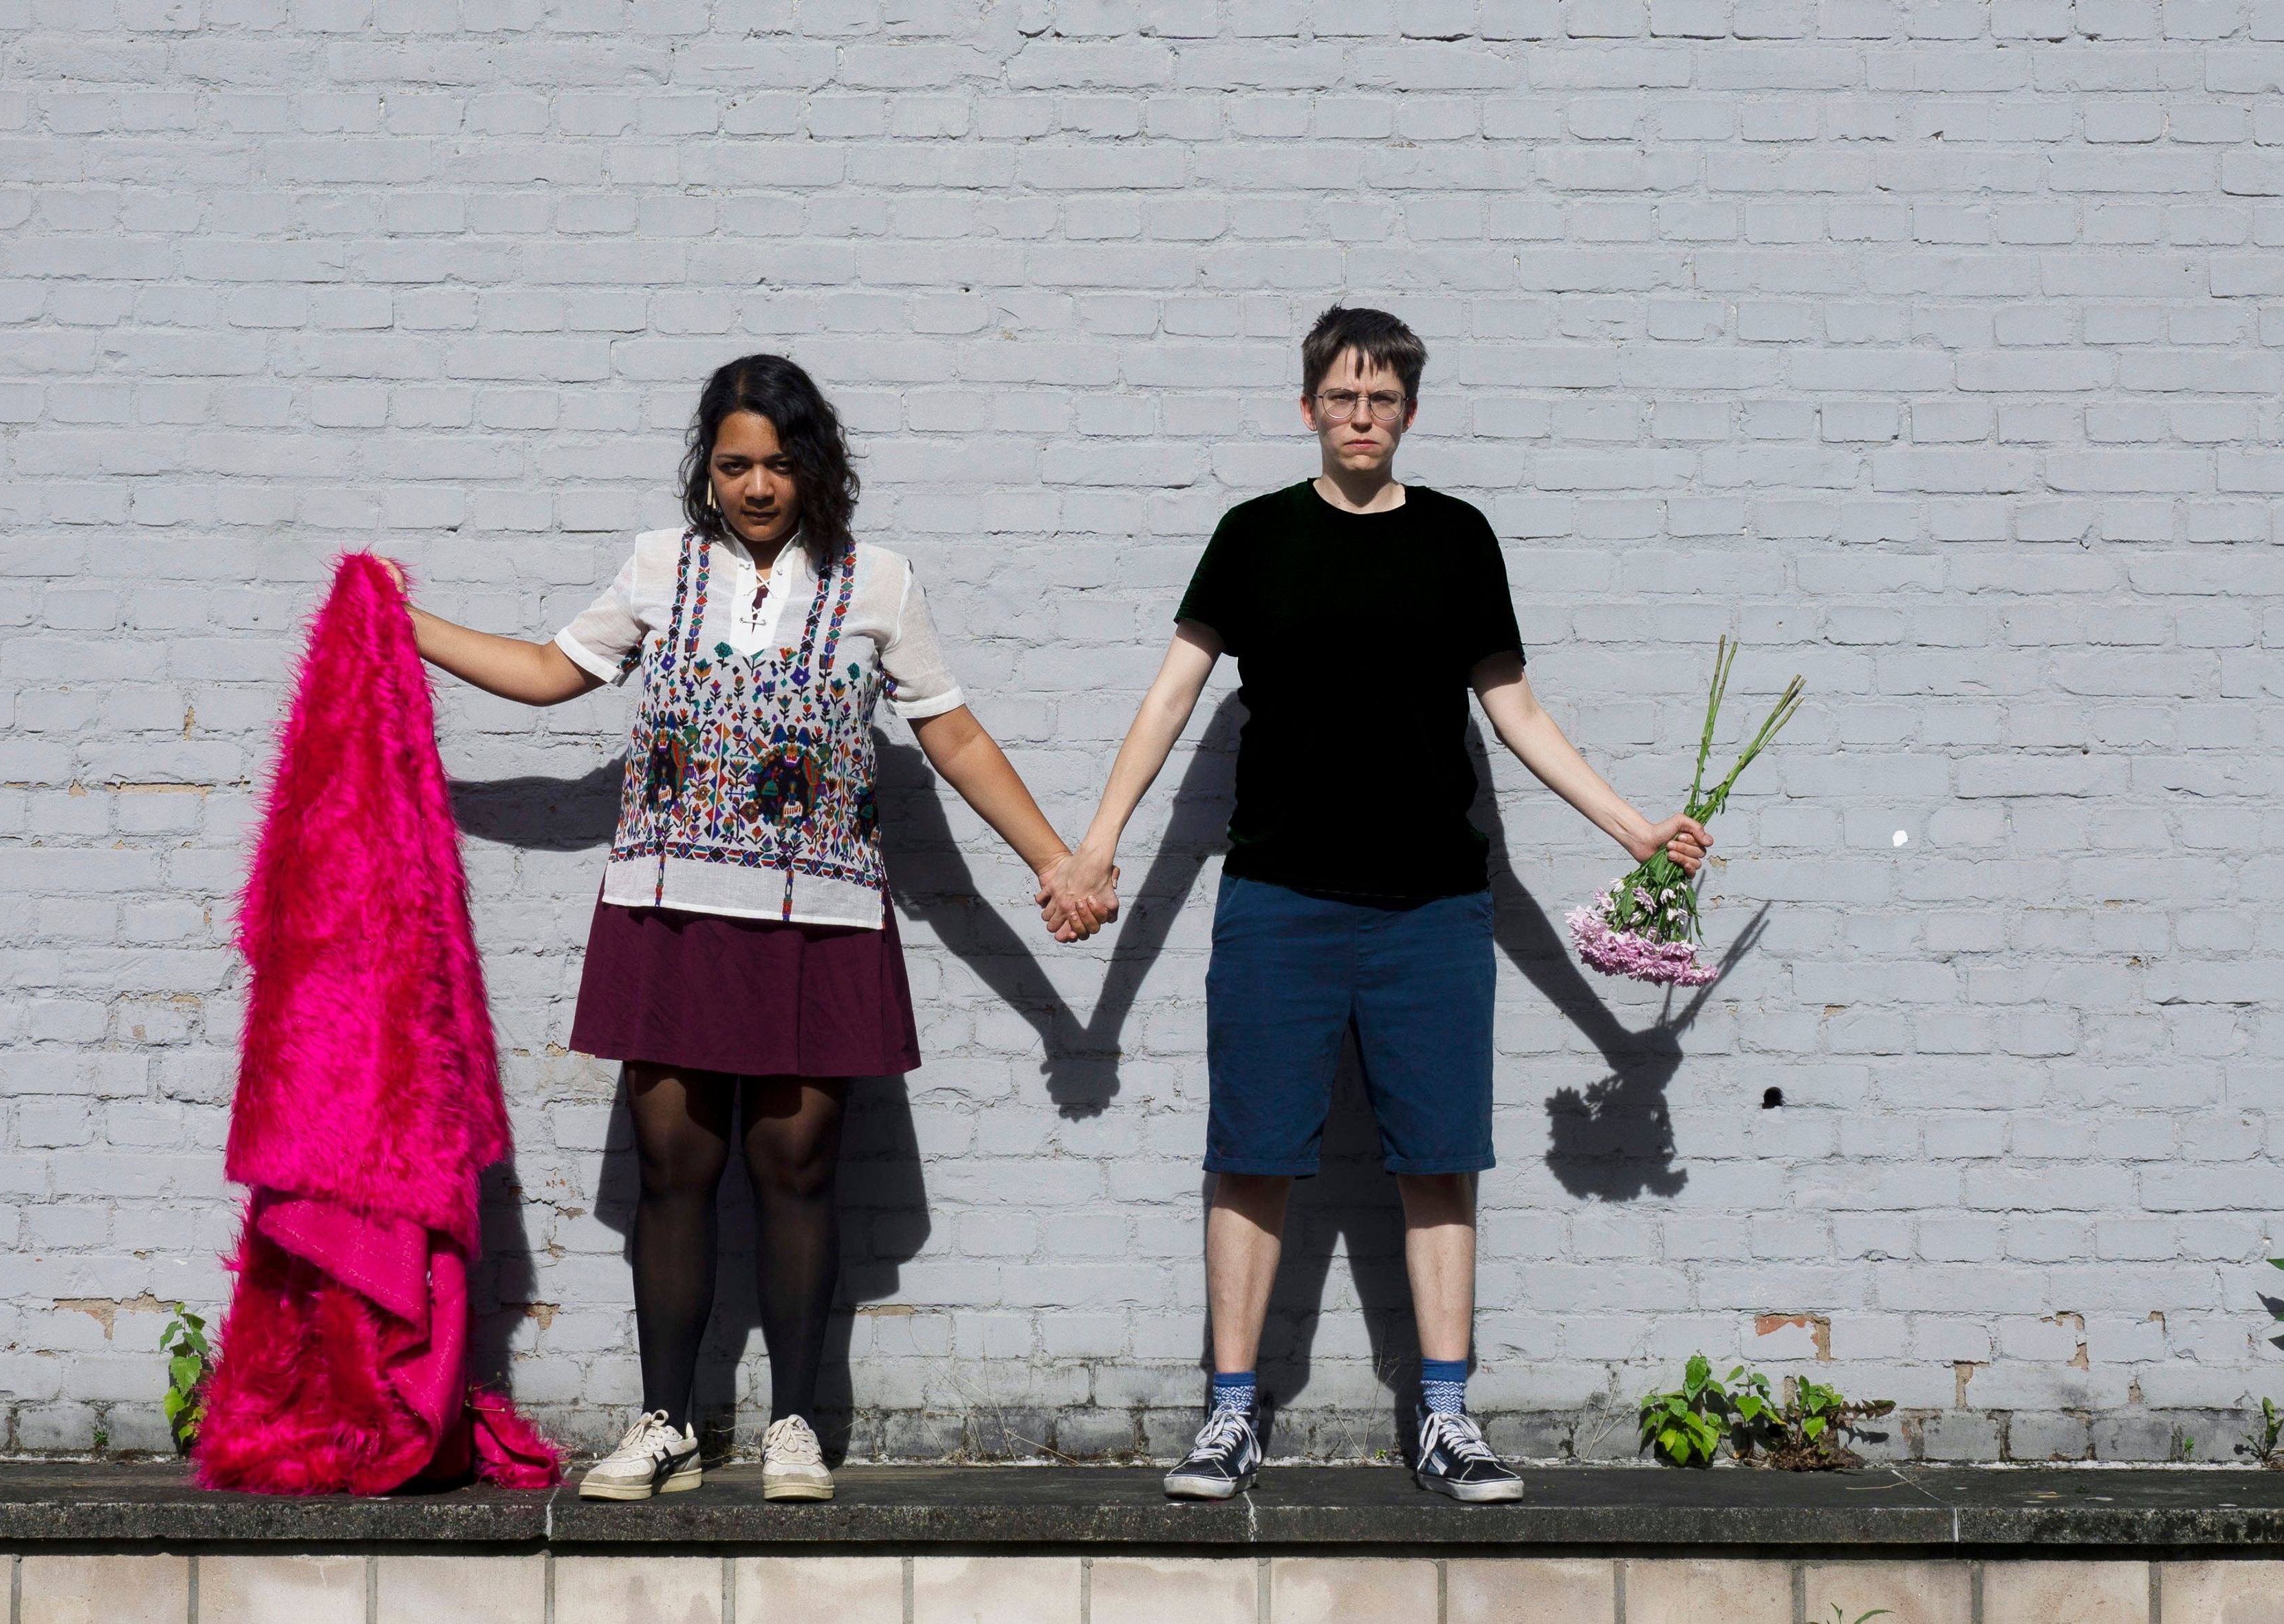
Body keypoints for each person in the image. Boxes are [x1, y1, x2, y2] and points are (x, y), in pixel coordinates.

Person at [400, 354, 1108, 1504]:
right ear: (706, 468)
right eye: (734, 465)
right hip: (669, 912)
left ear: (814, 465)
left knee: (795, 1164)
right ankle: (667, 1420)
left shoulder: (878, 582)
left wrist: (1054, 862)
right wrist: (402, 617)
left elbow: (956, 736)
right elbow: (543, 672)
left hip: (816, 917)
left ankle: (792, 1425)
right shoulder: (658, 568)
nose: (758, 486)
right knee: (674, 1166)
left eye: (780, 463)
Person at [1040, 306, 1710, 1504]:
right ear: (1307, 407)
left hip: (1432, 909)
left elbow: (1516, 710)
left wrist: (1633, 826)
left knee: (1440, 1160)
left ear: (1408, 411)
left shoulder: (1458, 539)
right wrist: (1095, 847)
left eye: (1383, 400)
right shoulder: (1253, 537)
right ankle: (1230, 1417)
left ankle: (1445, 1416)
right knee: (1249, 1155)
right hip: (1277, 901)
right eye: (1342, 399)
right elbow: (1168, 700)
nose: (1361, 418)